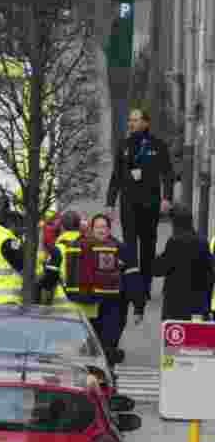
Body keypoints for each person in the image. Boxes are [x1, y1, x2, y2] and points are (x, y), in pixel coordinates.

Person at [106, 109, 175, 301]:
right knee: (130, 247)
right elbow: (116, 176)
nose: (131, 123)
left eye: (135, 120)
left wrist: (166, 198)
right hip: (128, 203)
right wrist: (110, 203)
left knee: (147, 247)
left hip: (150, 203)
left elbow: (168, 174)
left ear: (146, 123)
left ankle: (145, 286)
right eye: (130, 120)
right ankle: (133, 288)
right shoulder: (123, 145)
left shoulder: (158, 145)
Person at [84, 213, 144, 365]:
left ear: (109, 230)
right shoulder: (84, 248)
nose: (101, 230)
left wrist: (138, 307)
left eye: (104, 227)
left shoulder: (121, 249)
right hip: (91, 306)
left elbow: (133, 279)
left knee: (109, 345)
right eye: (97, 227)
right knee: (93, 347)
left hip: (116, 307)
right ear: (92, 230)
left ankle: (108, 376)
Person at [152, 204, 214, 322]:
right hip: (198, 304)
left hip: (175, 304)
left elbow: (159, 269)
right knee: (195, 336)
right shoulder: (202, 242)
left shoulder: (174, 242)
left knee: (174, 336)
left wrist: (155, 258)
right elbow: (210, 274)